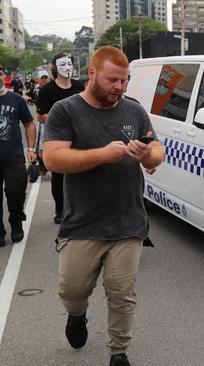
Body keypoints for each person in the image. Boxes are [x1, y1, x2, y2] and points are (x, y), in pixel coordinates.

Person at [42, 46, 164, 366]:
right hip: (82, 222)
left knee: (122, 293)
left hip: (128, 221)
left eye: (124, 81)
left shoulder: (133, 110)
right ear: (92, 74)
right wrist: (102, 154)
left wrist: (146, 155)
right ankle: (76, 314)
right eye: (113, 80)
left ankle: (118, 352)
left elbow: (157, 152)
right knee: (72, 289)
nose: (119, 88)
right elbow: (53, 158)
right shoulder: (64, 111)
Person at [37, 53, 85, 224]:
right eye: (63, 64)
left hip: (79, 136)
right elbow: (40, 116)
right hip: (57, 138)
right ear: (55, 68)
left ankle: (79, 208)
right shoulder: (46, 90)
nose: (67, 67)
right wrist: (60, 117)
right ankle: (61, 210)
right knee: (59, 175)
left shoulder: (79, 86)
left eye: (70, 63)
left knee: (80, 172)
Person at [0, 66, 37, 247]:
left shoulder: (15, 99)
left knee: (15, 191)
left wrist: (30, 148)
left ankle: (16, 220)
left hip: (13, 155)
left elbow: (29, 124)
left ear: (3, 77)